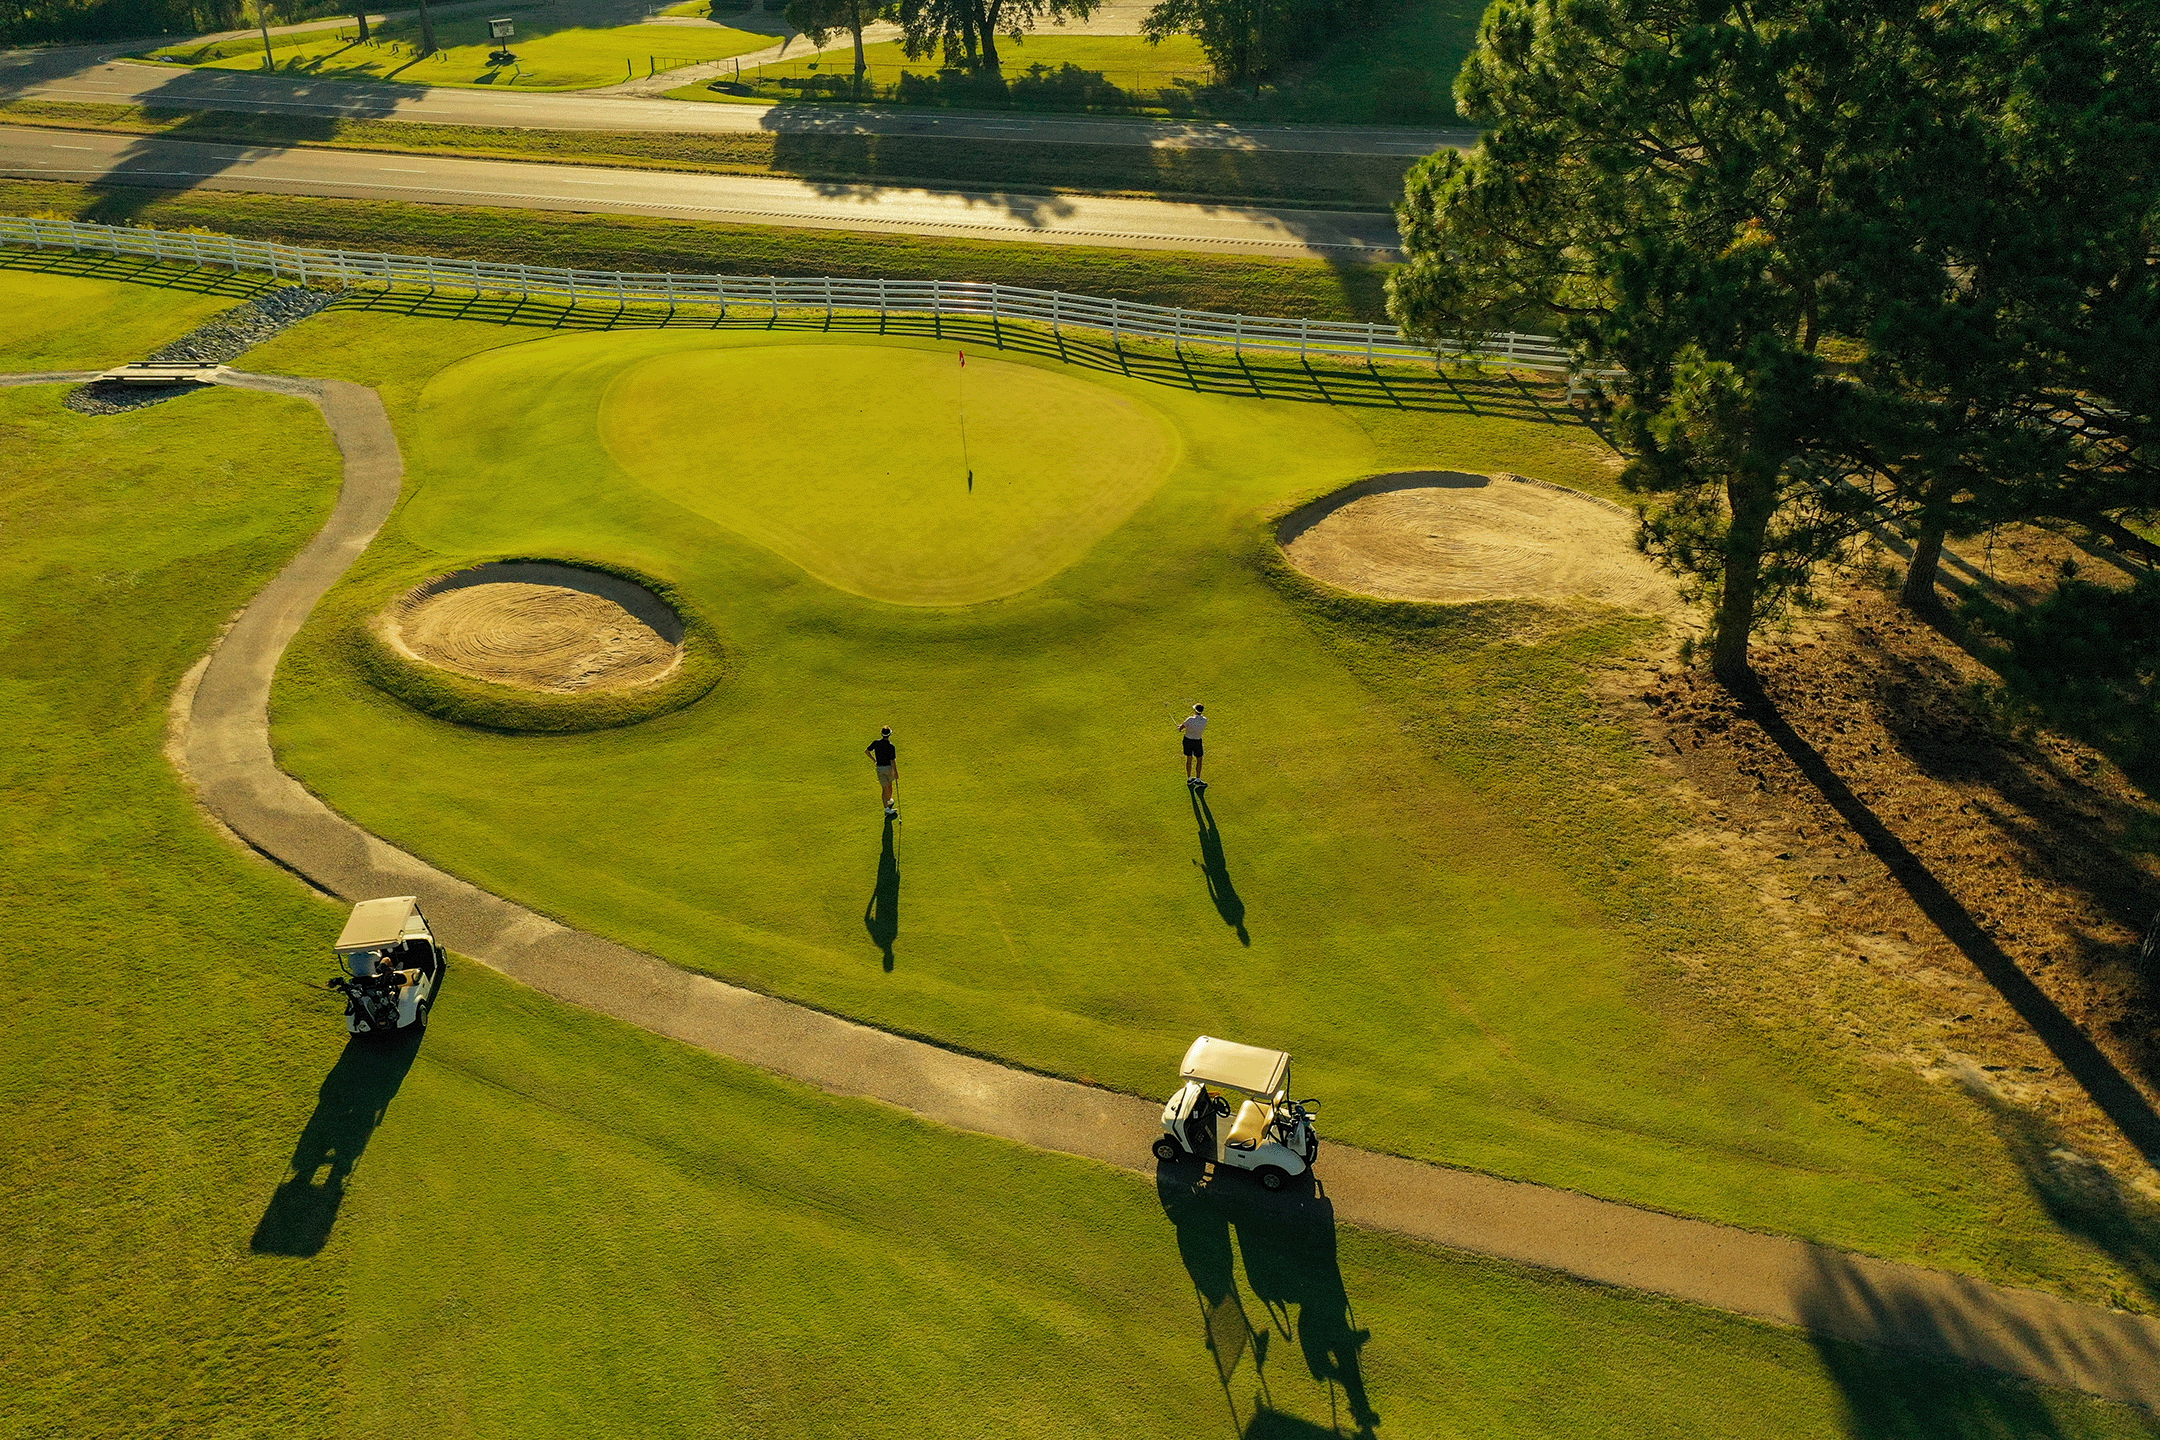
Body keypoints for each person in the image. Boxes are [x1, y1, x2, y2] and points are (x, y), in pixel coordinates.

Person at [866, 726, 899, 818]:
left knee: (885, 788)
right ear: (889, 735)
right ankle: (887, 805)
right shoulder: (891, 747)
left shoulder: (876, 743)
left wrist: (874, 760)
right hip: (888, 768)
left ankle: (887, 803)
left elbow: (867, 751)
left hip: (880, 768)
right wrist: (896, 772)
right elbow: (893, 761)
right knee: (889, 787)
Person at [1176, 703, 1208, 789]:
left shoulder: (1190, 720)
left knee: (1189, 759)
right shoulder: (1205, 720)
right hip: (1197, 741)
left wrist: (1179, 727)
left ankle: (1189, 779)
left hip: (1187, 740)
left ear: (1195, 710)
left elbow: (1181, 728)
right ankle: (1198, 779)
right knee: (1199, 760)